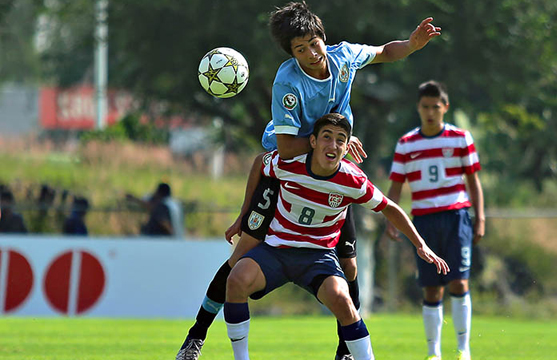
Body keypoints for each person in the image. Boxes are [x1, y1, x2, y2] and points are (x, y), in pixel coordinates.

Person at [177, 3, 442, 360]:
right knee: (239, 259)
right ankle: (196, 336)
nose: (310, 54)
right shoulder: (287, 81)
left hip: (328, 168)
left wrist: (410, 45)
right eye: (299, 50)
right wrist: (334, 142)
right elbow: (283, 149)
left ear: (323, 39)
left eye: (313, 44)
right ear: (291, 54)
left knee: (349, 267)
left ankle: (345, 351)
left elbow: (383, 52)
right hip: (289, 168)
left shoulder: (345, 57)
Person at [225, 113, 448, 360]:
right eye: (327, 137)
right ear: (313, 142)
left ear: (346, 148)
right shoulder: (288, 163)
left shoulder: (352, 180)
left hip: (318, 256)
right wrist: (243, 215)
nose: (333, 145)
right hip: (276, 250)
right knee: (236, 279)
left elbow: (389, 208)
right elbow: (260, 163)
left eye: (341, 140)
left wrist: (421, 245)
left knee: (343, 300)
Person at [385, 81, 485, 360]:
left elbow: (473, 181)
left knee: (459, 282)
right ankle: (433, 353)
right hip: (424, 221)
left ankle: (463, 350)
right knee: (431, 286)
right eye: (425, 107)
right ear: (419, 108)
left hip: (456, 217)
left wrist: (480, 218)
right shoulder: (406, 144)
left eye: (435, 107)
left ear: (445, 108)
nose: (430, 112)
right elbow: (396, 186)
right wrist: (390, 220)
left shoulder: (460, 138)